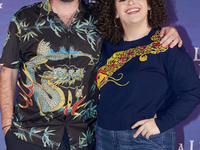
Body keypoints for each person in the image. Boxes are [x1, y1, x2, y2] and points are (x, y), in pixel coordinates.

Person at [0, 0, 182, 149]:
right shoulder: (24, 18)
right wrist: (7, 127)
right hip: (30, 137)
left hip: (83, 139)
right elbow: (8, 72)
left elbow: (136, 33)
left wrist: (165, 31)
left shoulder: (101, 17)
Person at [95, 0, 200, 150]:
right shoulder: (104, 45)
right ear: (115, 12)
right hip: (104, 138)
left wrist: (162, 123)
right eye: (122, 0)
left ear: (150, 5)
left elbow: (193, 92)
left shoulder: (166, 45)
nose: (130, 2)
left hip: (146, 140)